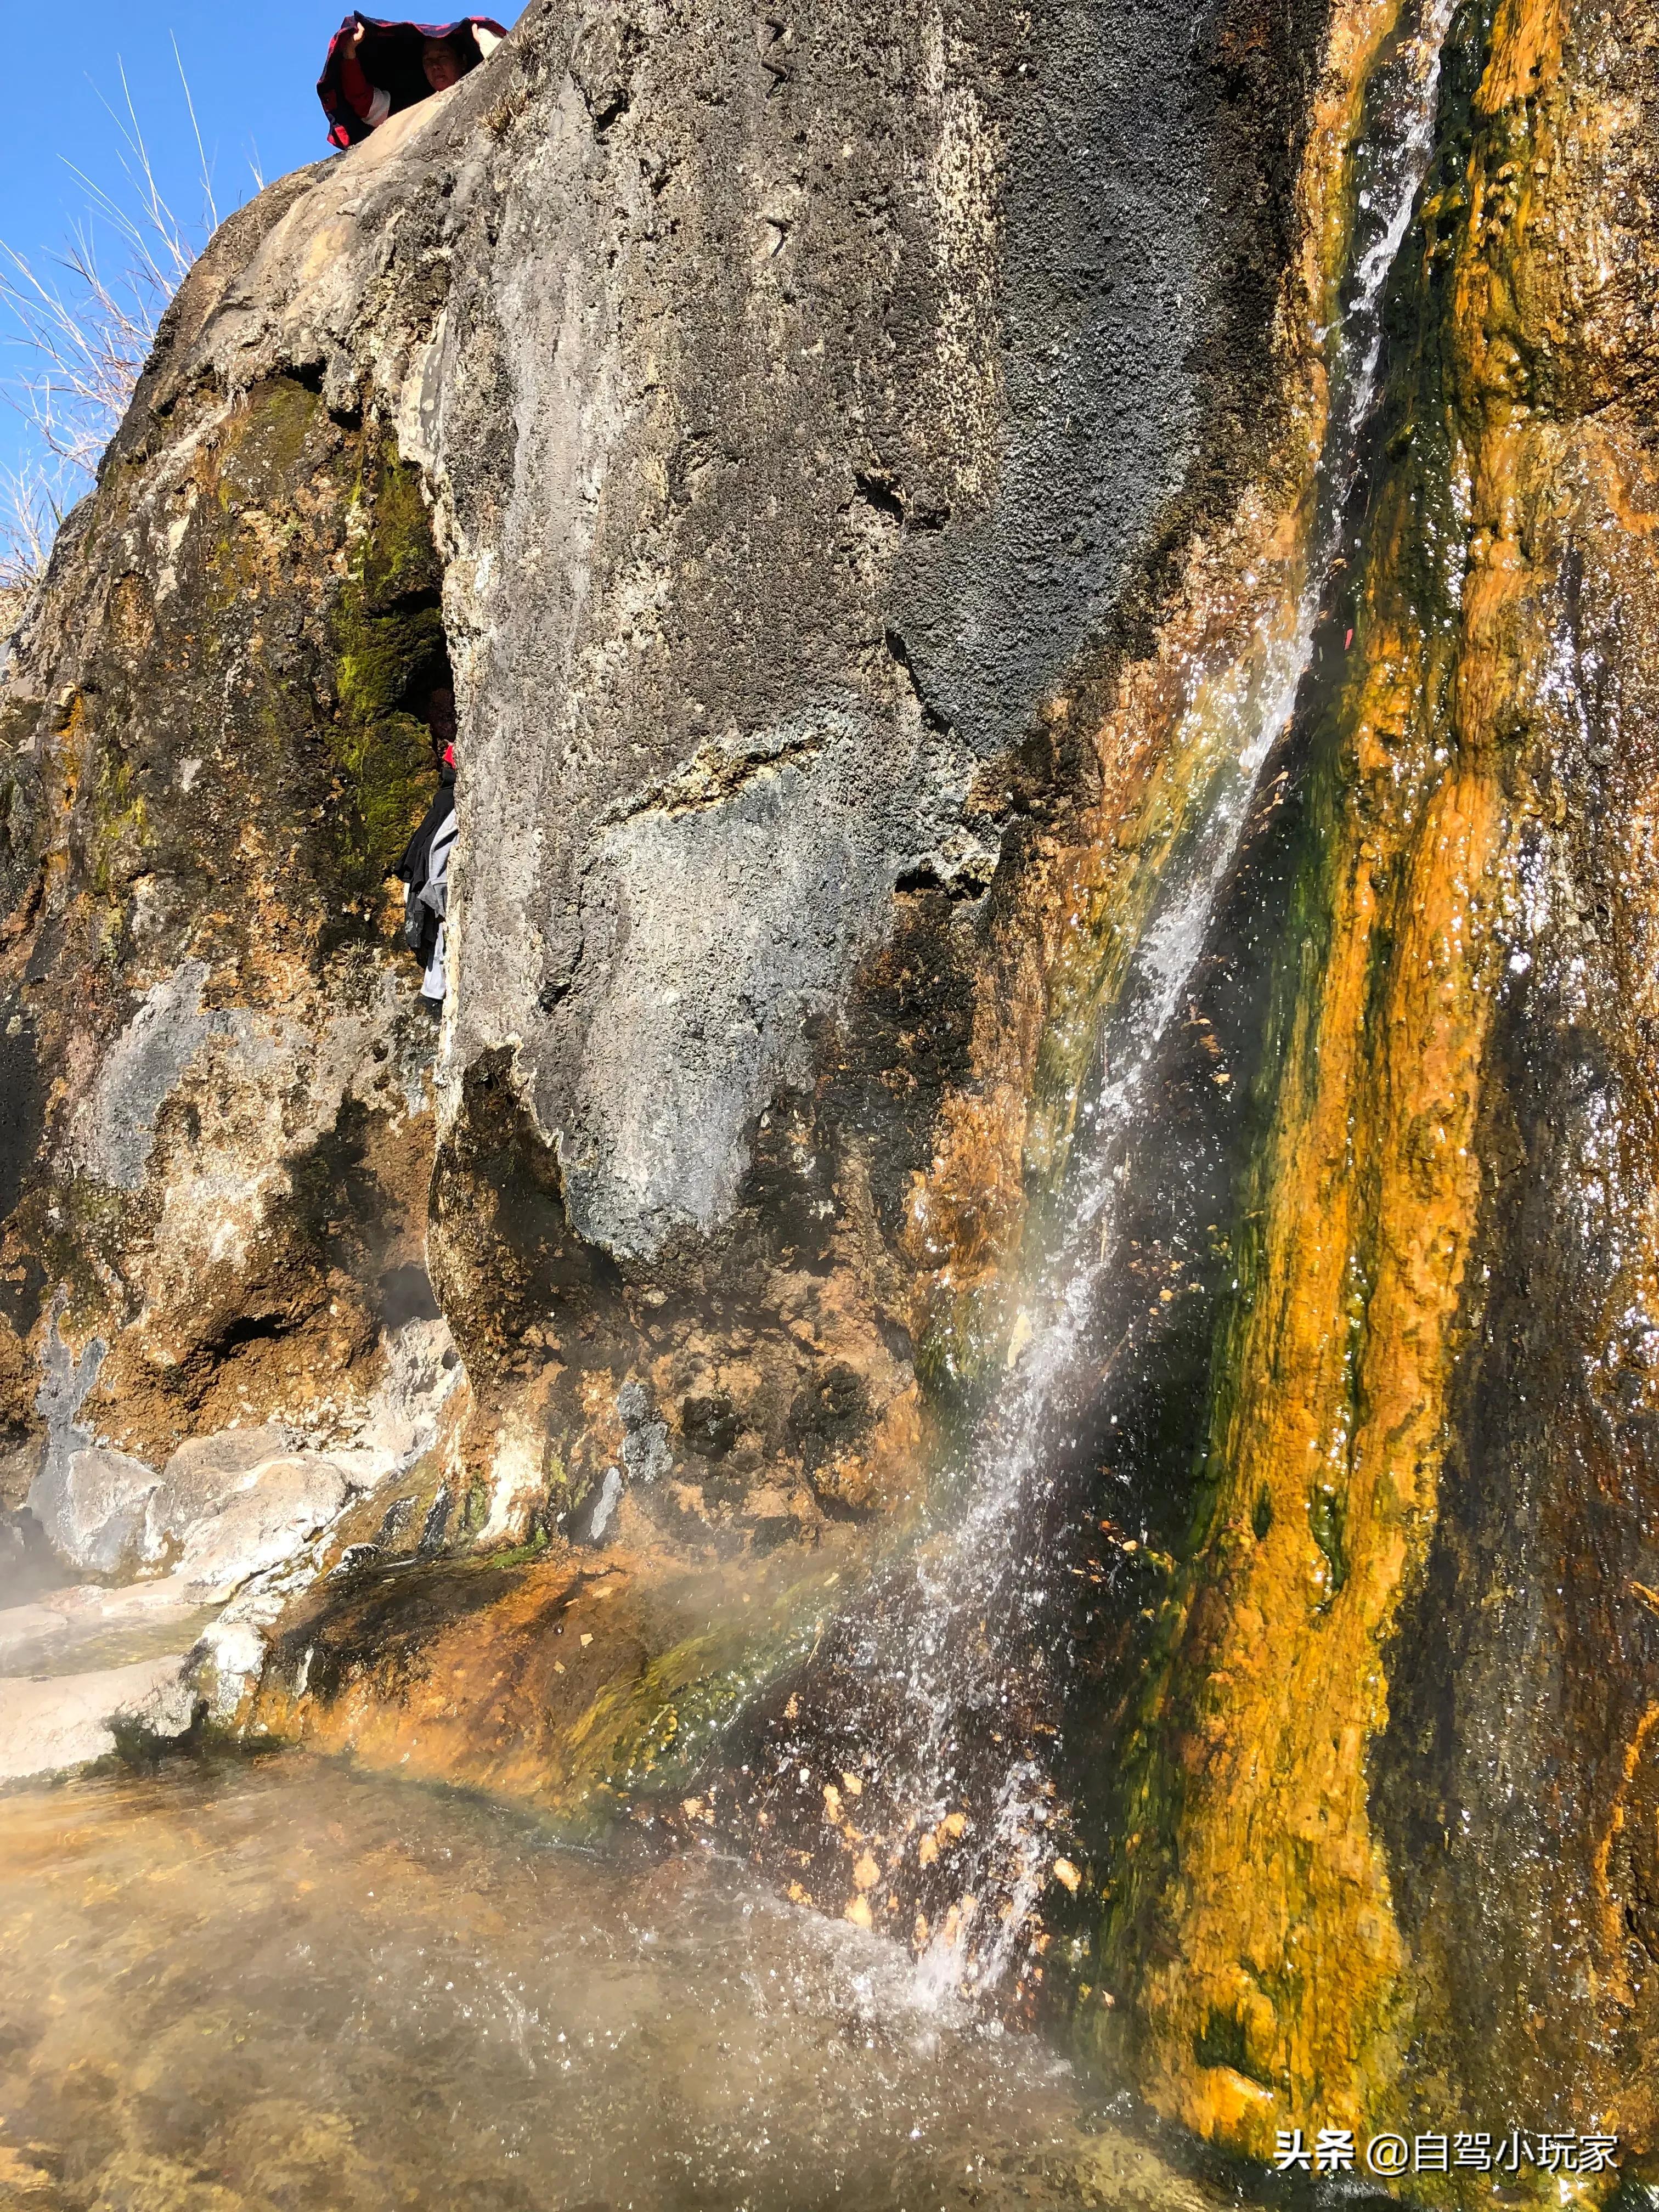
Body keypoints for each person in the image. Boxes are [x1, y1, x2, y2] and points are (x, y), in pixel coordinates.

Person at [318, 15, 508, 149]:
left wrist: (486, 43)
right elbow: (364, 104)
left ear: (463, 61)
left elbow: (508, 73)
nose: (435, 66)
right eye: (428, 60)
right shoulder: (412, 107)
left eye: (443, 57)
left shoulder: (484, 89)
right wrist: (350, 54)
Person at [398, 732, 459, 1011]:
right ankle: (434, 994)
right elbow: (437, 848)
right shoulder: (451, 802)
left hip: (423, 878)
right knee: (442, 936)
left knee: (438, 936)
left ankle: (433, 992)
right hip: (434, 880)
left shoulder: (444, 798)